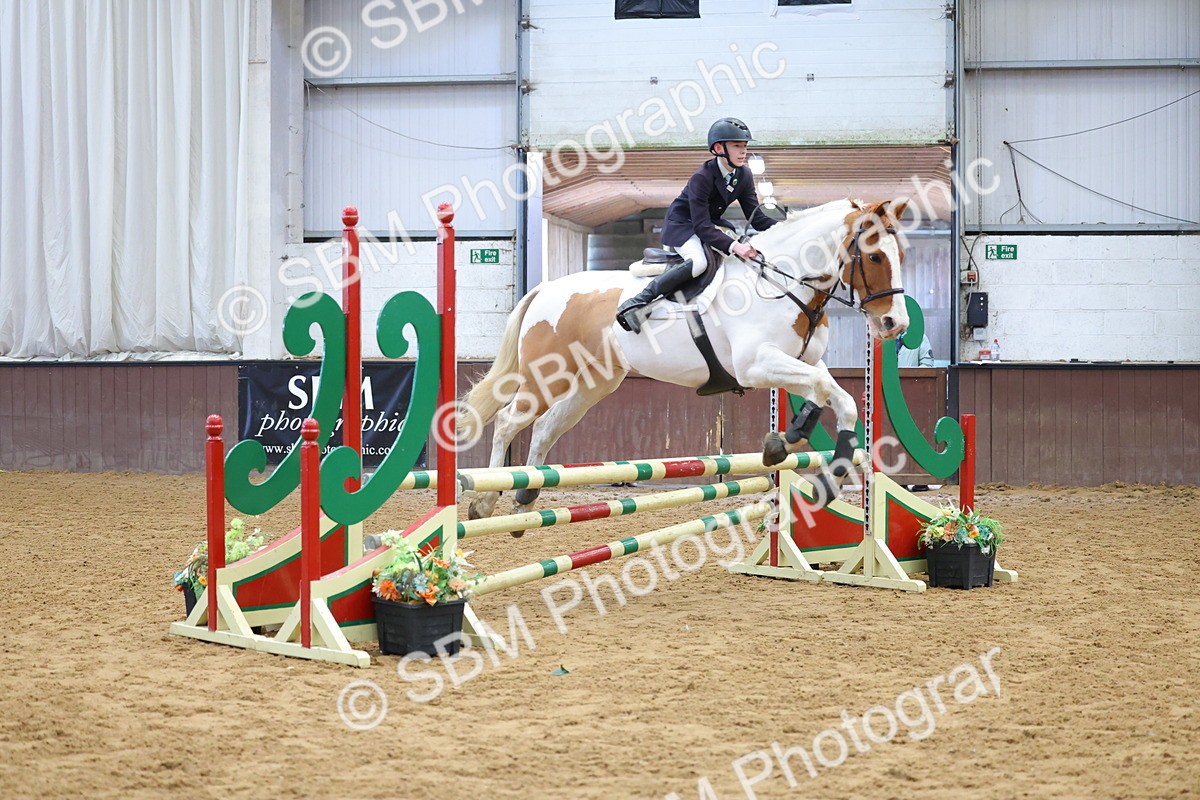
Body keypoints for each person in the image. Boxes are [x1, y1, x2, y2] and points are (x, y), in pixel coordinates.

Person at [616, 117, 780, 334]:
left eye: (745, 146)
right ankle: (639, 301)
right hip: (683, 225)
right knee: (699, 263)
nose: (743, 152)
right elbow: (702, 227)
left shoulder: (744, 174)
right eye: (737, 146)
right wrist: (735, 246)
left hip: (709, 223)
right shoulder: (702, 177)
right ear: (719, 148)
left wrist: (787, 227)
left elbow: (757, 218)